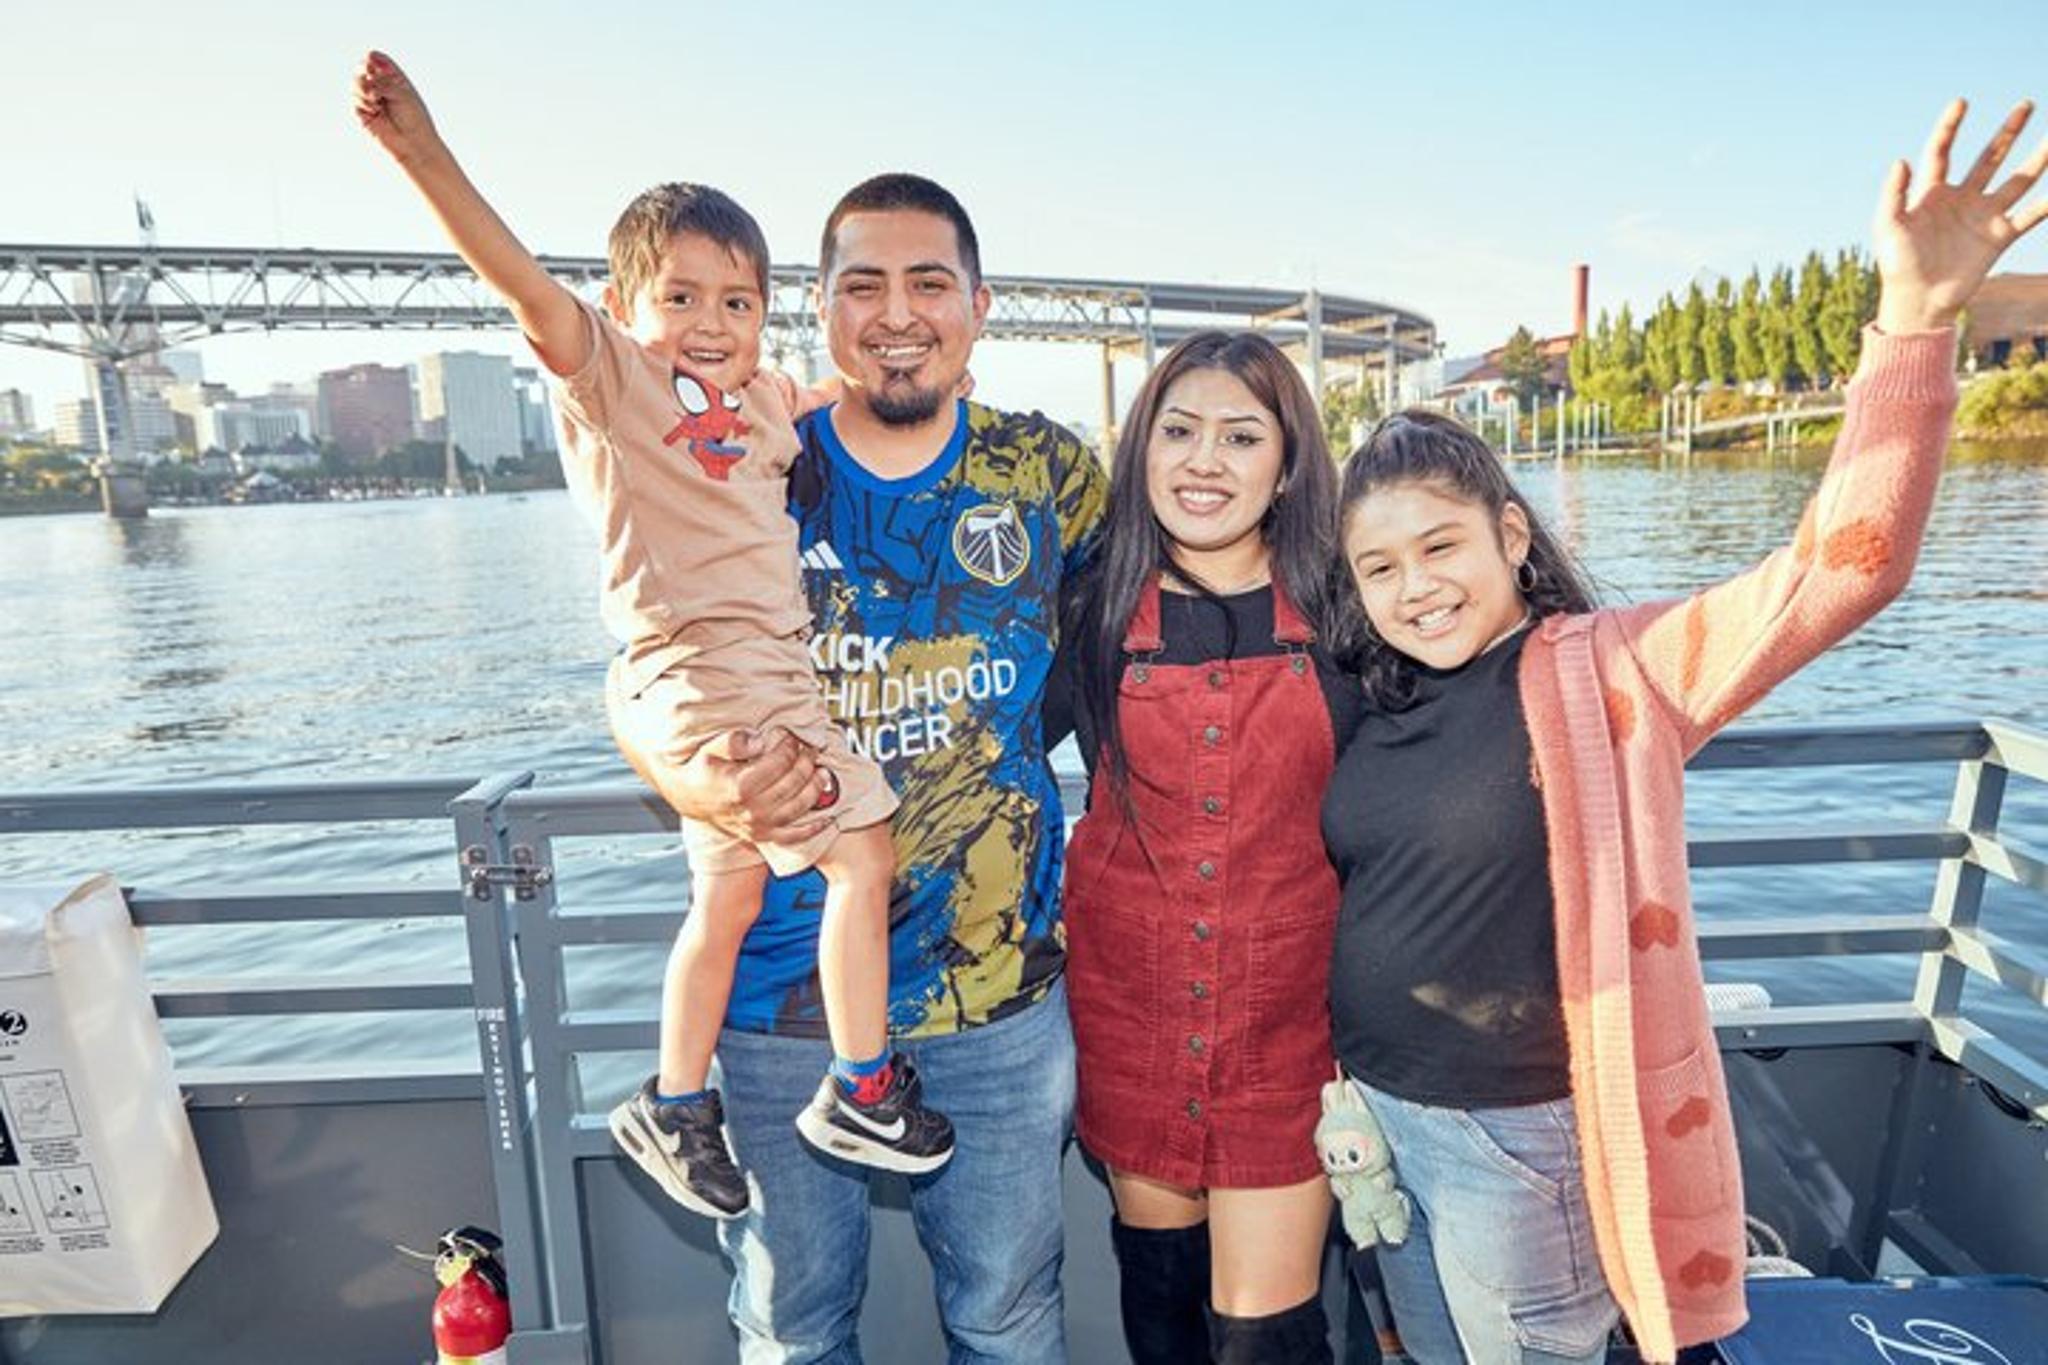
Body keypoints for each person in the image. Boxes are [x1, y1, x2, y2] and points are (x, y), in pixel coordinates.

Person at [1322, 99, 2047, 1365]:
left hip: (1518, 1141)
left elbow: (1843, 569)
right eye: (1378, 566)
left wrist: (1915, 321)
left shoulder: (1613, 673)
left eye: (1439, 545)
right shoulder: (1374, 694)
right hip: (1380, 1116)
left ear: (1506, 534)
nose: (1414, 587)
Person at [351, 52, 955, 1224]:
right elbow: (517, 280)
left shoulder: (766, 405)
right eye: (678, 298)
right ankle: (861, 1085)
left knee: (724, 902)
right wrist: (419, 150)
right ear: (626, 311)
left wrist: (910, 348)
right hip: (711, 678)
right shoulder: (616, 390)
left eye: (735, 302)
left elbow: (833, 388)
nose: (710, 324)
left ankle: (676, 1102)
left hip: (756, 679)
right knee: (863, 849)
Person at [641, 173, 1111, 1362]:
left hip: (996, 1001)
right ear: (820, 308)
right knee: (793, 1329)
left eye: (927, 283)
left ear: (978, 305)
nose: (896, 313)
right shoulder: (738, 460)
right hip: (774, 1008)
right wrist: (680, 771)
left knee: (1007, 1318)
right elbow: (643, 660)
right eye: (863, 285)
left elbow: (1163, 624)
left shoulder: (1046, 474)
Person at [1058, 332, 1359, 1364]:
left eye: (1240, 436)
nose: (1204, 461)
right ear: (1140, 449)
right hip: (1130, 1014)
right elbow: (973, 747)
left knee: (1264, 1338)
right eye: (1178, 431)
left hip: (1287, 1030)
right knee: (1161, 1307)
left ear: (1285, 465)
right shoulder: (1087, 610)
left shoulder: (1346, 613)